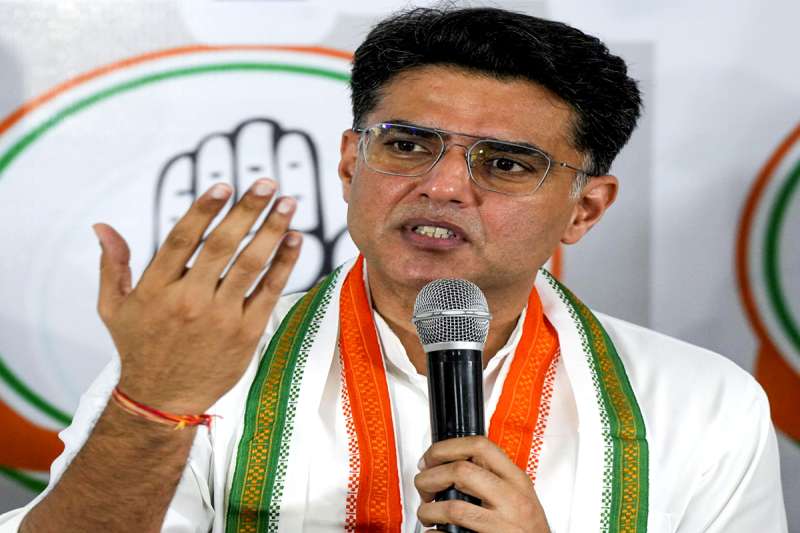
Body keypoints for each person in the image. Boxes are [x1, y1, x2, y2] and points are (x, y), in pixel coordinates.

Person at [0, 6, 788, 533]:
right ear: (351, 163)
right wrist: (152, 403)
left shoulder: (701, 402)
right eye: (407, 145)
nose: (442, 186)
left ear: (585, 208)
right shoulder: (191, 360)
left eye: (505, 163)